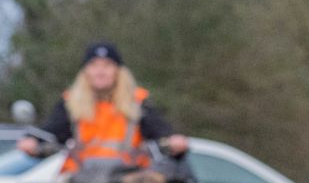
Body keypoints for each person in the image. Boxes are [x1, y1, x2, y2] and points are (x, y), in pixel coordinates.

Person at [18, 42, 189, 172]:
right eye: (94, 65)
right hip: (79, 178)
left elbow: (161, 133)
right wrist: (32, 142)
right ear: (86, 71)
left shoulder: (137, 101)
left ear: (118, 71)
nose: (100, 71)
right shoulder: (71, 102)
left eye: (107, 65)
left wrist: (173, 143)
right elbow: (50, 132)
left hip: (128, 177)